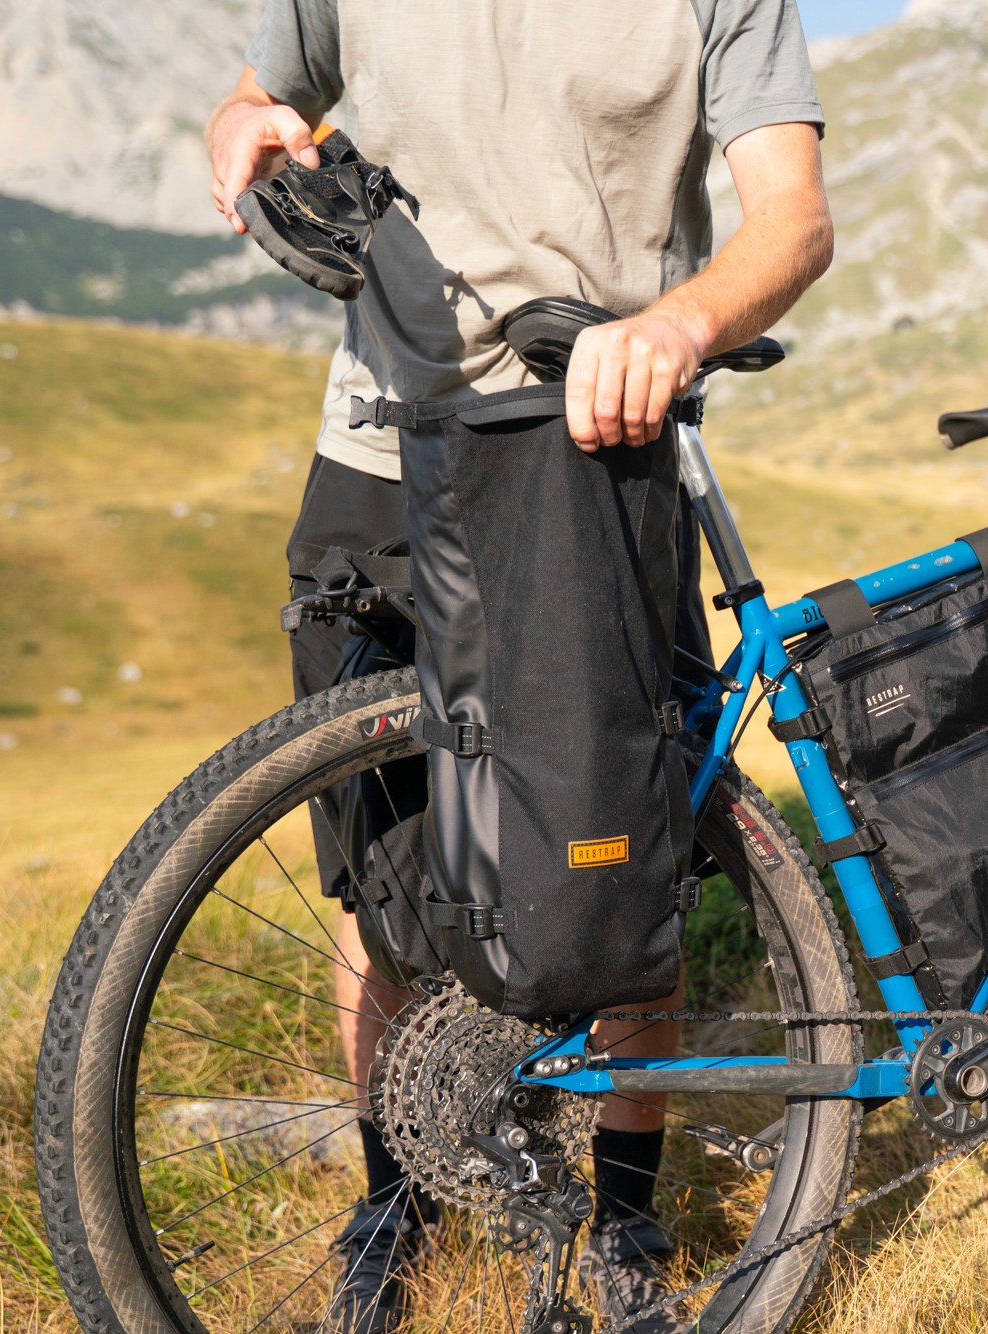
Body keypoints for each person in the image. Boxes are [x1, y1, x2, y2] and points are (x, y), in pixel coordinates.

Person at [204, 4, 833, 1330]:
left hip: (592, 452)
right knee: (377, 880)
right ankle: (395, 1200)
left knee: (623, 860)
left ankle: (626, 1215)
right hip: (382, 450)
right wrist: (245, 130)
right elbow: (264, 97)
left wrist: (678, 325)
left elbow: (792, 220)